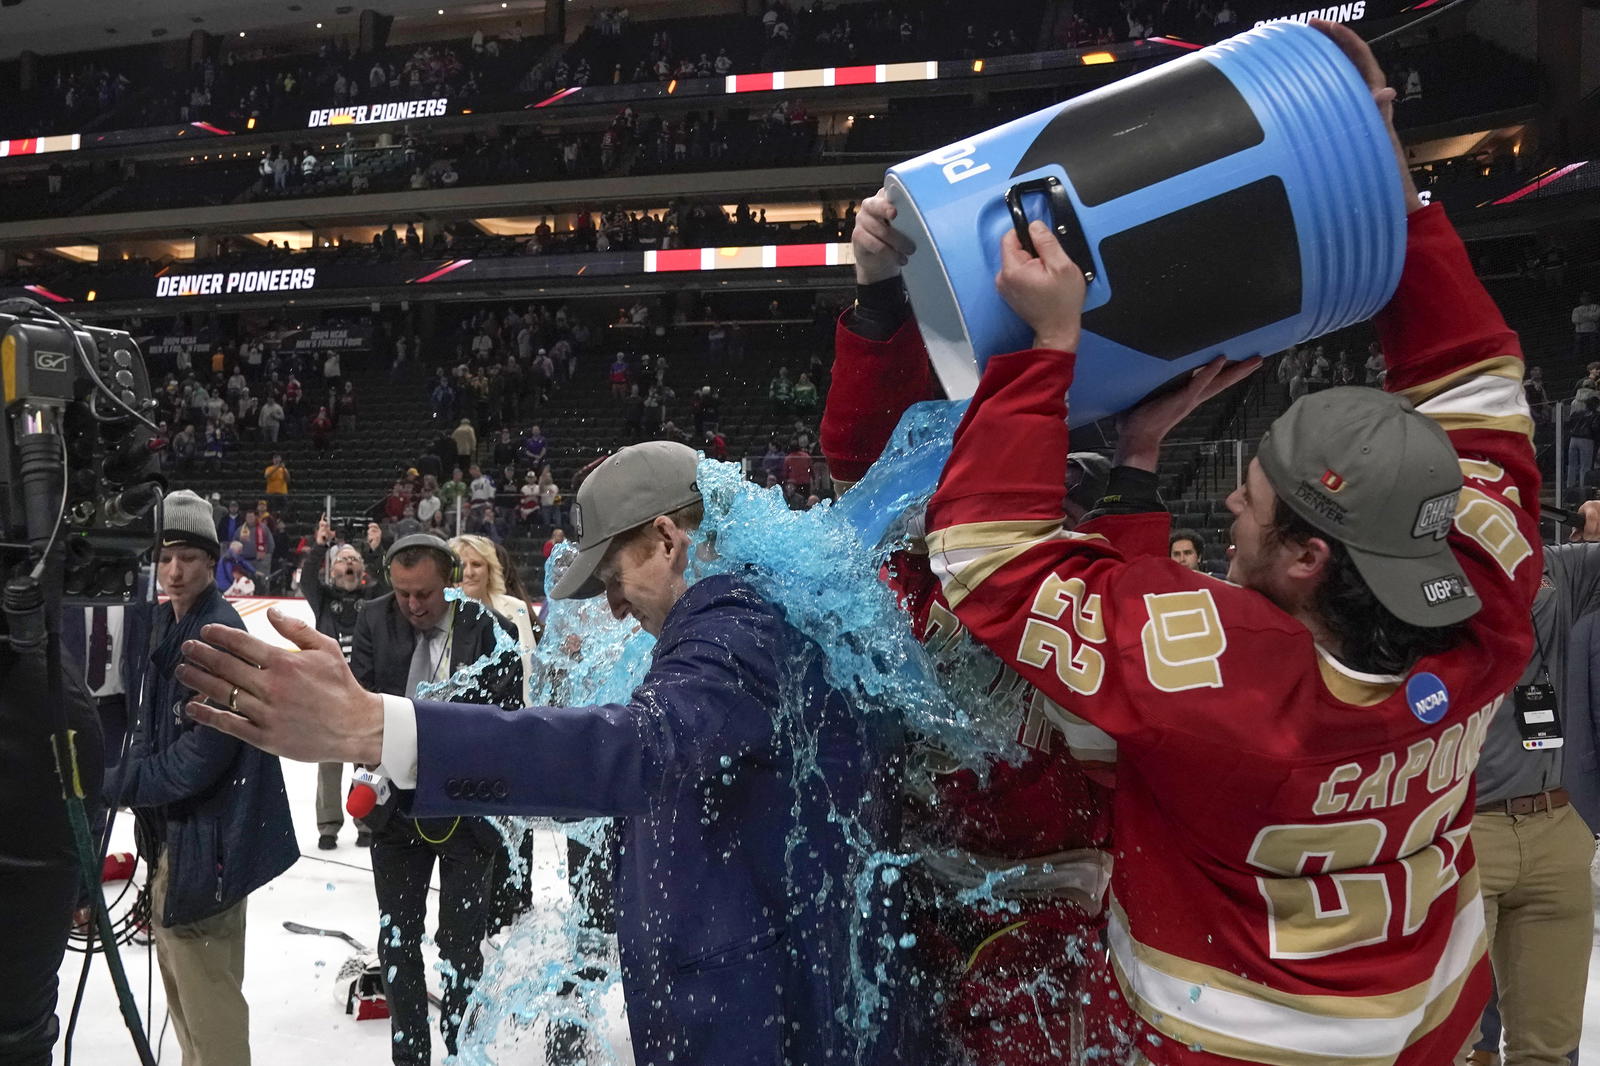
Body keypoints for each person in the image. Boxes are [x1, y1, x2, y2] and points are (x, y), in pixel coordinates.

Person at [918, 24, 1540, 1064]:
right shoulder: (1485, 584)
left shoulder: (1224, 686)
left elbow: (984, 554)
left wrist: (1050, 349)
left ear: (1307, 560)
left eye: (1249, 501)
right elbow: (1476, 379)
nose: (1235, 511)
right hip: (1424, 1028)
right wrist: (1387, 165)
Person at [177, 442, 909, 1066]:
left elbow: (630, 749)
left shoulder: (735, 629)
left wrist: (379, 729)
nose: (614, 607)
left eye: (614, 577)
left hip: (761, 1026)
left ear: (666, 539)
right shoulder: (750, 618)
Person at [105, 490, 297, 1066]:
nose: (173, 568)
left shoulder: (218, 634)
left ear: (211, 561)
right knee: (184, 994)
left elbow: (200, 760)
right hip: (179, 842)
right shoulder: (172, 623)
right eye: (164, 556)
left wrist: (121, 783)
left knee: (207, 999)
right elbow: (150, 728)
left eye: (186, 556)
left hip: (209, 845)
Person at [352, 534, 520, 1064]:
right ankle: (410, 1057)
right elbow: (356, 709)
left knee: (461, 946)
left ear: (448, 581)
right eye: (402, 593)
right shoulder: (374, 619)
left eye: (423, 593)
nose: (413, 606)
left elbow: (507, 727)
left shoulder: (493, 630)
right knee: (397, 938)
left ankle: (463, 1051)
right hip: (394, 813)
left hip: (467, 814)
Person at [1463, 502, 1600, 1066]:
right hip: (1460, 832)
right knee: (1449, 1042)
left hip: (1555, 825)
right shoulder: (1413, 579)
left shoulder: (1556, 571)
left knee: (1549, 1047)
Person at [301, 517, 384, 849]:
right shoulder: (322, 600)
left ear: (363, 569)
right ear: (331, 570)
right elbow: (307, 577)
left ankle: (366, 821)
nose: (348, 563)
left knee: (365, 759)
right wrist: (320, 544)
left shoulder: (375, 599)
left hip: (365, 692)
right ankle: (328, 825)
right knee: (330, 761)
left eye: (354, 559)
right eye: (341, 560)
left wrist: (378, 551)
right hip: (329, 693)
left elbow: (391, 582)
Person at [451, 533, 538, 702]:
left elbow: (530, 667)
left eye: (476, 564)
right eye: (462, 565)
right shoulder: (443, 615)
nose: (469, 572)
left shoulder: (516, 607)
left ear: (490, 569)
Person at [1572, 291, 1599, 358]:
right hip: (1580, 332)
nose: (1584, 299)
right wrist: (1590, 316)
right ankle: (1579, 362)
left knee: (1593, 349)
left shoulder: (1596, 307)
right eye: (1583, 297)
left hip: (1593, 331)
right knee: (1579, 349)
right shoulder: (1576, 309)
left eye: (1586, 297)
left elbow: (1596, 317)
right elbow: (1575, 320)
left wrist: (1582, 316)